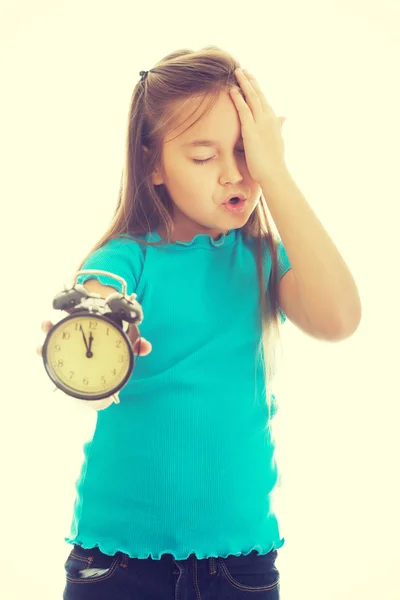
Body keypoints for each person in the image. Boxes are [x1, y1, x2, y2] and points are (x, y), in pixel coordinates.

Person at [37, 46, 361, 599]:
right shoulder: (127, 258)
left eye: (244, 150)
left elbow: (339, 318)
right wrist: (98, 322)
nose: (234, 172)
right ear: (153, 163)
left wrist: (276, 173)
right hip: (117, 561)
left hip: (240, 561)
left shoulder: (262, 259)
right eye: (203, 156)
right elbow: (98, 293)